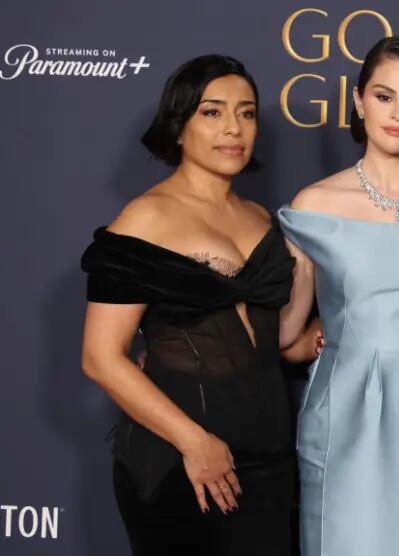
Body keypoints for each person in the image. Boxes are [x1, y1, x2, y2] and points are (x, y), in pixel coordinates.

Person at [80, 55, 295, 555]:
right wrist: (194, 443)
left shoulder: (260, 218)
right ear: (178, 125)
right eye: (212, 112)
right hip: (181, 464)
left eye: (246, 113)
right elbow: (100, 358)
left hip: (269, 463)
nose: (234, 128)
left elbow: (264, 339)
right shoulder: (145, 218)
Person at [277, 37, 399, 556]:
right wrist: (336, 338)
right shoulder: (315, 203)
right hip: (345, 410)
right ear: (359, 102)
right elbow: (287, 332)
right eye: (384, 97)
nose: (398, 114)